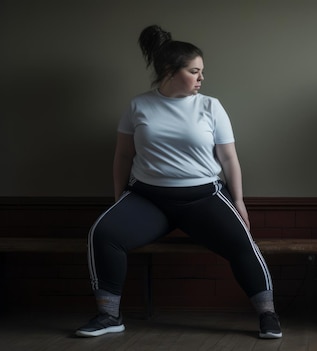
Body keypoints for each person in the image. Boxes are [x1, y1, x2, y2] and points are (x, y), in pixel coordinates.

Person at [75, 25, 282, 339]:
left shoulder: (211, 107)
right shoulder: (138, 106)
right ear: (171, 71)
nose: (201, 78)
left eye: (202, 72)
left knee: (243, 244)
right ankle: (108, 315)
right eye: (195, 71)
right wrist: (119, 199)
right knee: (102, 233)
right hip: (148, 198)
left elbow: (229, 160)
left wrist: (238, 201)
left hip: (203, 197)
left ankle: (267, 315)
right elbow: (122, 157)